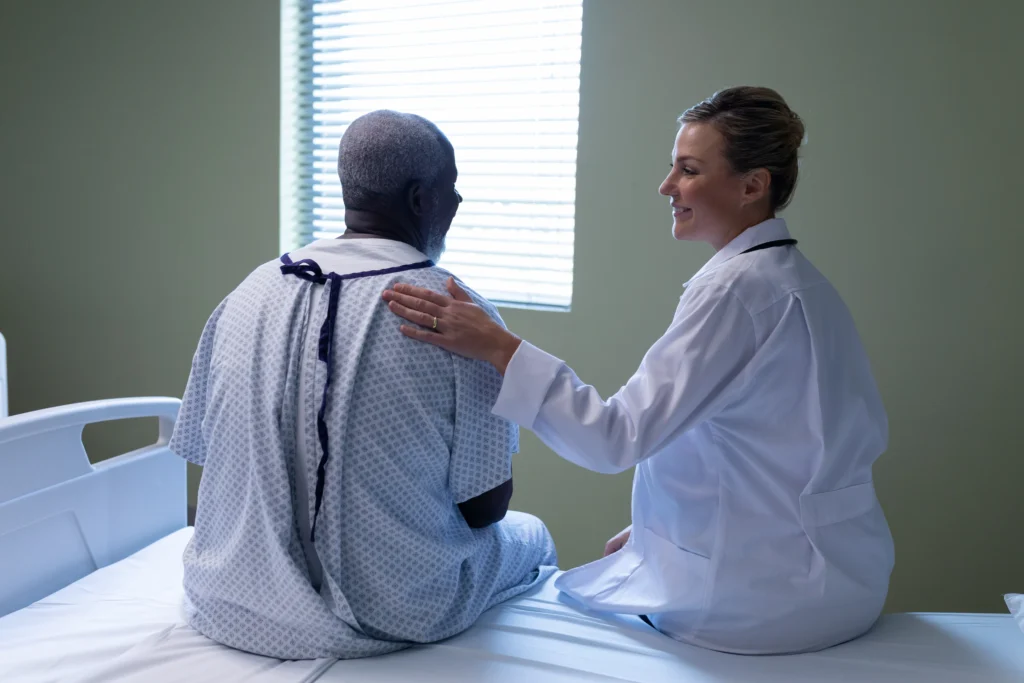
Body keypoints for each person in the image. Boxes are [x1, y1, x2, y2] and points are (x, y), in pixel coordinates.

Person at [382, 87, 895, 655]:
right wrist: (659, 531)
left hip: (761, 607)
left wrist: (500, 348)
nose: (667, 185)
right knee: (615, 559)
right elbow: (793, 449)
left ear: (753, 185)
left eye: (689, 169)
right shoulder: (800, 283)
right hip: (844, 582)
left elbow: (614, 439)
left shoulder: (738, 292)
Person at [169, 110, 557, 660]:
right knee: (532, 533)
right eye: (451, 188)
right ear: (421, 199)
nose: (459, 203)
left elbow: (210, 458)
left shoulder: (248, 293)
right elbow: (485, 508)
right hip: (397, 611)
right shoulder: (453, 315)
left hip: (230, 600)